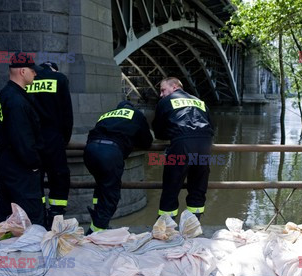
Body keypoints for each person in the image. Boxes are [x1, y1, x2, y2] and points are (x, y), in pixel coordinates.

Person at [0, 52, 44, 225]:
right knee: (30, 215)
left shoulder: (2, 95)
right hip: (20, 168)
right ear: (22, 71)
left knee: (7, 213)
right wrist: (35, 164)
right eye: (32, 70)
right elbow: (22, 140)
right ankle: (30, 250)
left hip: (6, 163)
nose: (35, 74)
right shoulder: (16, 101)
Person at [83, 100, 153, 234]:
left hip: (90, 151)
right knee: (111, 194)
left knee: (101, 186)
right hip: (110, 152)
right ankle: (96, 231)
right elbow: (147, 141)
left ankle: (97, 217)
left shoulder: (107, 114)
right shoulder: (135, 114)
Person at [152, 77, 214, 220]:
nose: (161, 94)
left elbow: (158, 131)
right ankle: (192, 226)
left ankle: (167, 227)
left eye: (163, 90)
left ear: (174, 87)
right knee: (198, 187)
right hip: (204, 144)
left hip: (182, 145)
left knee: (171, 186)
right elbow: (212, 126)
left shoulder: (165, 102)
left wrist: (173, 133)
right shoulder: (200, 101)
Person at [26, 61, 73, 230]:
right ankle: (55, 215)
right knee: (59, 177)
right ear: (54, 69)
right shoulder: (59, 79)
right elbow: (67, 112)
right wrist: (64, 139)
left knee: (35, 178)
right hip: (53, 138)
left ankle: (38, 218)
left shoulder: (28, 81)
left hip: (32, 139)